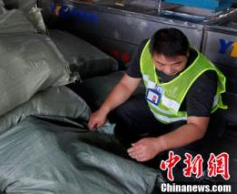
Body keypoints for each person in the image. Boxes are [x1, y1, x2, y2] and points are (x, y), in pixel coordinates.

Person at [88, 28, 226, 170]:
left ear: (187, 53)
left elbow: (197, 127)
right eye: (160, 64)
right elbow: (126, 85)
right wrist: (102, 110)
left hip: (190, 122)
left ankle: (158, 150)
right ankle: (135, 149)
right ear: (151, 54)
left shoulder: (203, 76)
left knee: (179, 158)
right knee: (120, 112)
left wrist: (159, 144)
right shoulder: (144, 50)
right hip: (159, 110)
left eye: (177, 64)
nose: (168, 70)